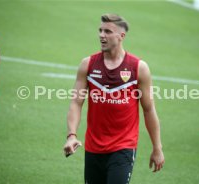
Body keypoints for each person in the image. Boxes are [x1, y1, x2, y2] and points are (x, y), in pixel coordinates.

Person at [63, 14, 164, 183]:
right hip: (93, 147)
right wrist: (71, 135)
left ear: (121, 36)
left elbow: (148, 110)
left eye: (108, 31)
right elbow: (76, 102)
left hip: (123, 147)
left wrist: (157, 148)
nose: (102, 35)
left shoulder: (138, 68)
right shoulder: (87, 64)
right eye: (100, 30)